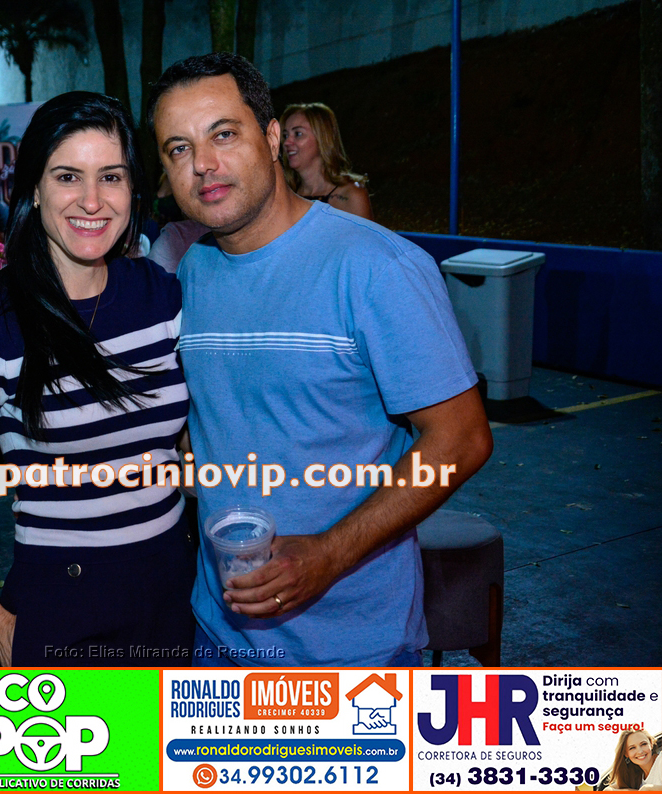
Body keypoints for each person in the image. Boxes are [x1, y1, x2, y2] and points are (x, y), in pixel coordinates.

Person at [147, 52, 493, 667]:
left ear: (272, 137)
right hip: (217, 641)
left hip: (357, 655)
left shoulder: (377, 267)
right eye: (179, 148)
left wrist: (330, 553)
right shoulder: (189, 271)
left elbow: (461, 440)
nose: (202, 164)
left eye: (223, 134)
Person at [0, 92, 194, 667]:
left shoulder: (162, 296)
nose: (92, 200)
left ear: (133, 189)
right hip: (63, 599)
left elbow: (179, 441)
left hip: (174, 584)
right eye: (68, 176)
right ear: (35, 189)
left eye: (111, 176)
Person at [280, 102, 373, 219]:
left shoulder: (350, 195)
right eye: (285, 135)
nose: (287, 142)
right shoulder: (286, 196)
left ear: (322, 138)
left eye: (298, 134)